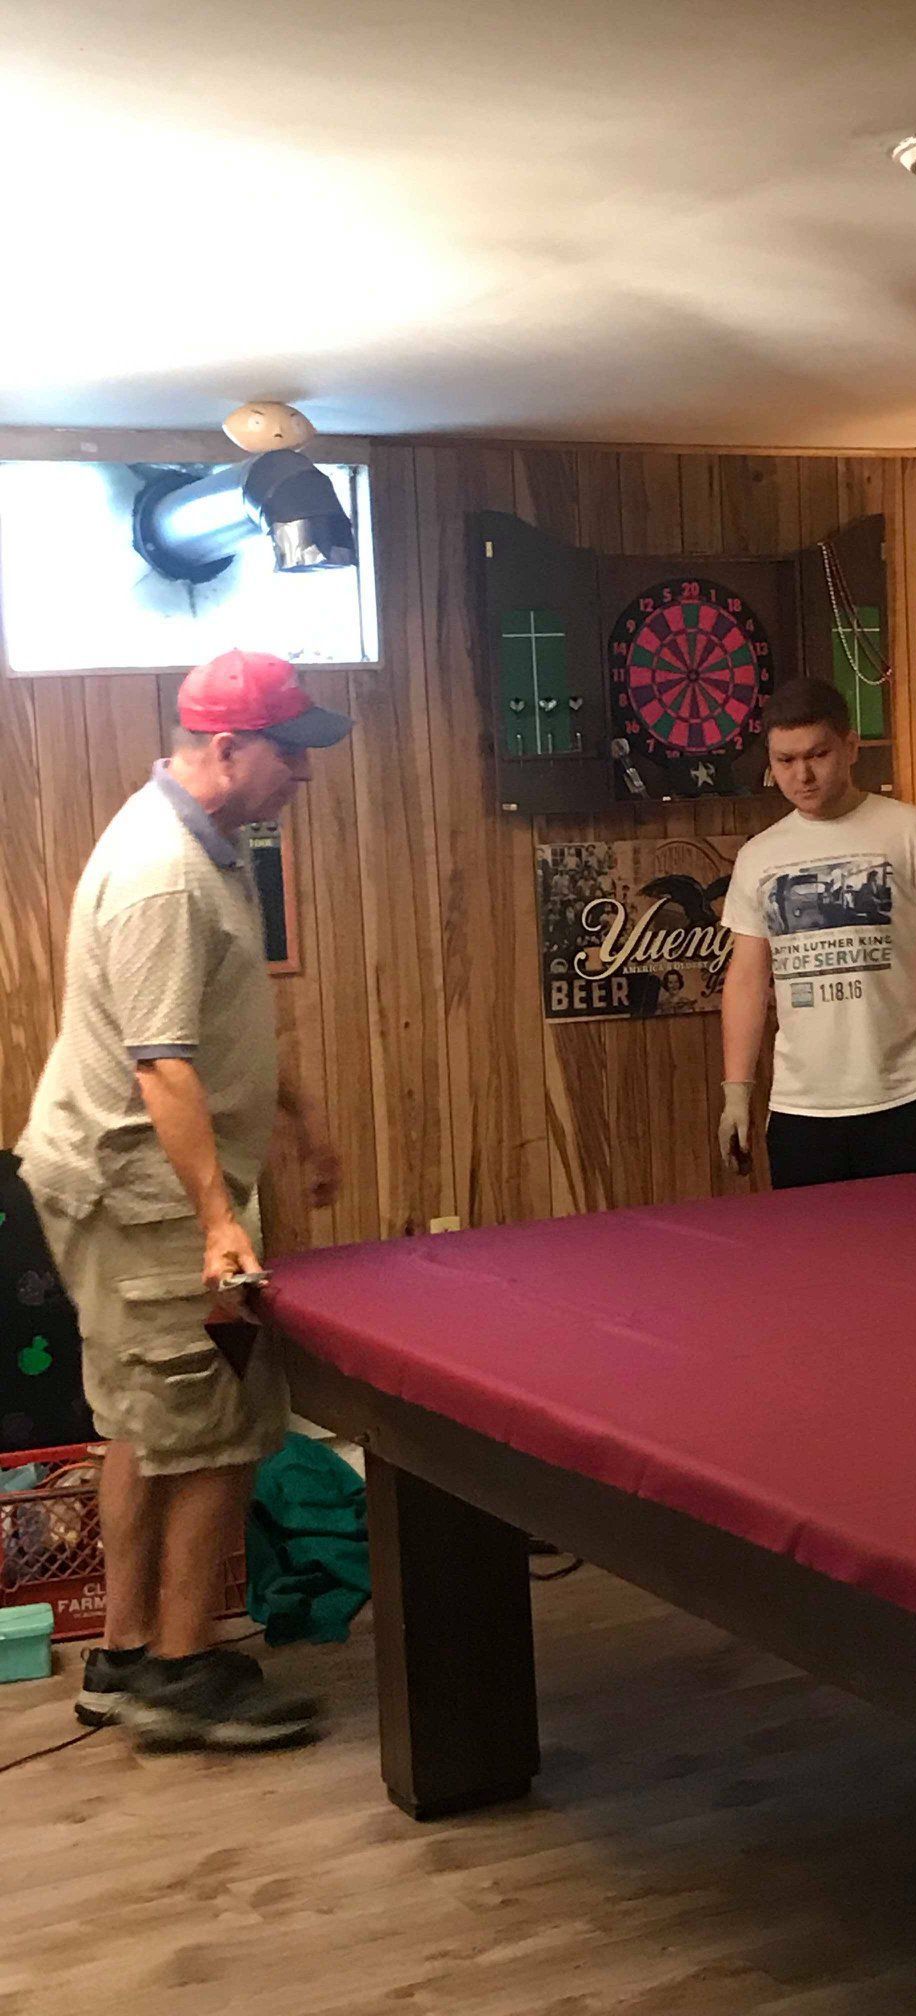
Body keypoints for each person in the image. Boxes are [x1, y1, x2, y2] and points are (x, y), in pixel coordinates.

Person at [18, 648, 351, 1750]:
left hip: (129, 1183)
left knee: (141, 1422)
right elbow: (162, 1063)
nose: (303, 772)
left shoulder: (213, 846)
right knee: (216, 1423)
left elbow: (220, 1022)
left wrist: (299, 1118)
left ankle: (125, 1654)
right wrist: (218, 1220)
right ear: (226, 747)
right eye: (289, 752)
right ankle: (180, 1670)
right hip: (139, 1191)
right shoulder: (164, 872)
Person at [718, 678, 916, 1187]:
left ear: (851, 747)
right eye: (785, 760)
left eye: (818, 755)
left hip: (908, 1092)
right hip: (803, 1106)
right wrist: (736, 1092)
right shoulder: (759, 856)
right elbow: (747, 978)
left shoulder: (910, 830)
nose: (803, 775)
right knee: (812, 1243)